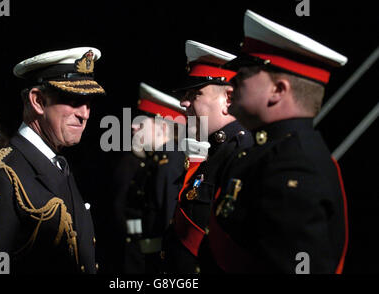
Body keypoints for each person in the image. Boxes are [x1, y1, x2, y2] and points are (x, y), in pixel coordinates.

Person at [206, 10, 349, 273]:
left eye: (244, 74)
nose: (231, 82)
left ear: (278, 90)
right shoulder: (269, 153)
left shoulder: (294, 167)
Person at [0, 47, 105, 274]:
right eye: (73, 100)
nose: (85, 114)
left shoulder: (57, 163)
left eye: (88, 103)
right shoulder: (2, 177)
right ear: (38, 101)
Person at [161, 40, 253, 273]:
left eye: (195, 94)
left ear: (228, 100)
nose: (184, 103)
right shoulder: (216, 151)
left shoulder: (242, 152)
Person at [104, 82, 186, 274]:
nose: (133, 126)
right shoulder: (156, 161)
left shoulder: (169, 162)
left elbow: (169, 224)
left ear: (162, 128)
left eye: (141, 122)